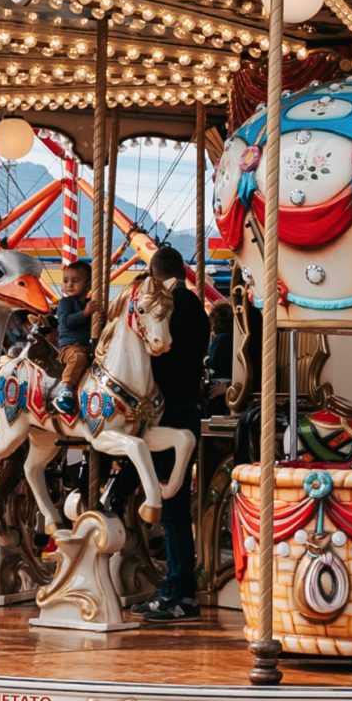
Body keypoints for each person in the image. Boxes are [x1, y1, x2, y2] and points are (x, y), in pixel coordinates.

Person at [134, 248, 210, 620]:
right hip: (186, 404)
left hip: (171, 409)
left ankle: (180, 591)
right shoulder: (193, 303)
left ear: (153, 274)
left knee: (172, 503)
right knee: (171, 502)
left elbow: (160, 352)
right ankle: (173, 583)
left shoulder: (169, 304)